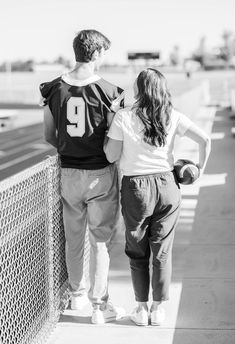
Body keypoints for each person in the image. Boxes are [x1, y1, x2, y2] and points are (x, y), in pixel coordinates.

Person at [104, 68, 211, 326]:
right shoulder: (173, 115)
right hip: (167, 185)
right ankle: (158, 309)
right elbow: (205, 140)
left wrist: (110, 117)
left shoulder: (123, 117)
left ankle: (140, 309)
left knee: (137, 250)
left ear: (139, 89)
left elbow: (110, 155)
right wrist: (199, 172)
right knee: (162, 250)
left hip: (136, 189)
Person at [39, 29, 125, 324]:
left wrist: (70, 149)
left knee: (74, 237)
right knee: (100, 240)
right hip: (100, 172)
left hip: (68, 172)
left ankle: (77, 295)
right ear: (98, 53)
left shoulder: (52, 88)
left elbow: (49, 135)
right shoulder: (110, 91)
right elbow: (114, 142)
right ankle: (99, 306)